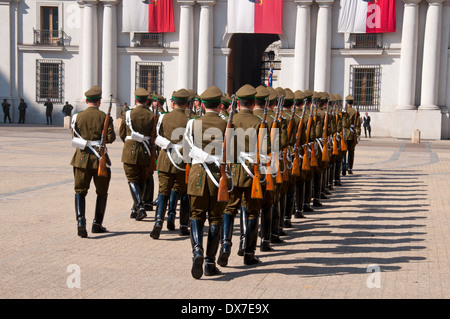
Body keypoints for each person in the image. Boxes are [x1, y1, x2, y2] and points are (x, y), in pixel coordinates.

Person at [184, 85, 228, 279]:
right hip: (218, 178)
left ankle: (197, 251)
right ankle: (210, 263)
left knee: (196, 215)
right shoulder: (227, 124)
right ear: (220, 105)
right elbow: (233, 155)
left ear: (201, 105)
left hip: (197, 176)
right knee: (216, 219)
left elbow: (186, 154)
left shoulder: (192, 124)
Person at [70, 85, 116, 238]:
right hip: (99, 159)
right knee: (101, 192)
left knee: (80, 192)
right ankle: (97, 223)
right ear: (99, 101)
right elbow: (110, 138)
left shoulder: (77, 116)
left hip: (81, 159)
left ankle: (80, 222)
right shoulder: (104, 117)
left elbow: (74, 137)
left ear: (86, 100)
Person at [150, 88, 190, 239]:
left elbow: (157, 135)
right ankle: (183, 226)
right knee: (184, 194)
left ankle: (158, 222)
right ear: (186, 104)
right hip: (182, 161)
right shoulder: (190, 120)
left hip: (166, 159)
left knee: (163, 192)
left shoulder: (163, 117)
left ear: (173, 103)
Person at [119, 88, 155, 221]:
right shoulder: (152, 115)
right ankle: (136, 208)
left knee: (132, 179)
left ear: (135, 100)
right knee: (141, 179)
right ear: (146, 101)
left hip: (130, 152)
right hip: (146, 152)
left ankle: (139, 207)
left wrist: (129, 144)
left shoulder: (128, 114)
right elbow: (154, 135)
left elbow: (122, 133)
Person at [342, 95, 361, 175]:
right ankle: (350, 168)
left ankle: (343, 167)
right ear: (352, 103)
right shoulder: (355, 112)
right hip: (352, 134)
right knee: (351, 152)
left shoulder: (343, 111)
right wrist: (358, 134)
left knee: (343, 151)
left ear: (346, 102)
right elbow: (358, 125)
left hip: (344, 133)